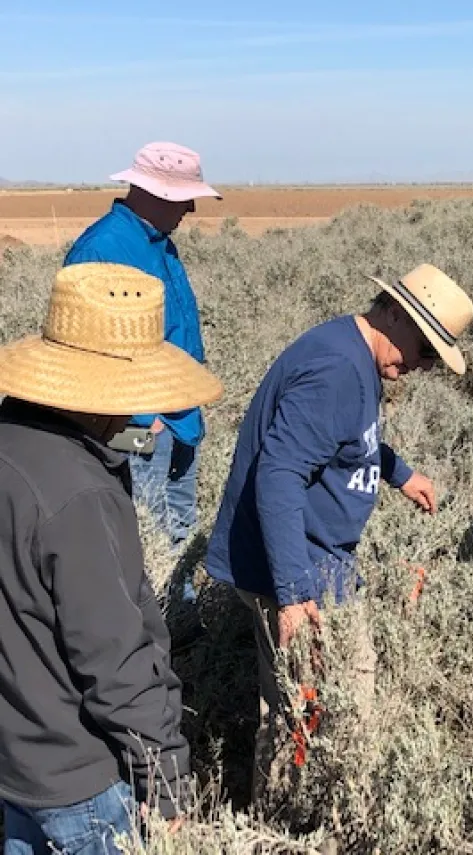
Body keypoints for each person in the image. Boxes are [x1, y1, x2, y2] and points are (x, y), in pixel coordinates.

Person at [205, 263, 473, 801]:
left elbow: (346, 439)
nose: (421, 367)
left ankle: (315, 812)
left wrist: (398, 472)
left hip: (316, 561)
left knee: (329, 700)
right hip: (296, 568)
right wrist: (293, 594)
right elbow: (279, 473)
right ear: (395, 314)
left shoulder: (352, 352)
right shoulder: (337, 368)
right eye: (424, 351)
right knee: (302, 711)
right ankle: (285, 822)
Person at [0, 262, 223, 853]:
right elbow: (114, 659)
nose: (147, 416)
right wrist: (167, 780)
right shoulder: (81, 499)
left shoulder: (12, 443)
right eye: (133, 396)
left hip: (17, 763)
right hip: (83, 783)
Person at [63, 141, 221, 605]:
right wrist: (143, 416)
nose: (191, 208)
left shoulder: (160, 244)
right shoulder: (103, 249)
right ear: (154, 193)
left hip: (180, 419)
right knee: (142, 539)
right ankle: (150, 634)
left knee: (179, 530)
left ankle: (182, 627)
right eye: (184, 197)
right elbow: (87, 347)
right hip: (139, 426)